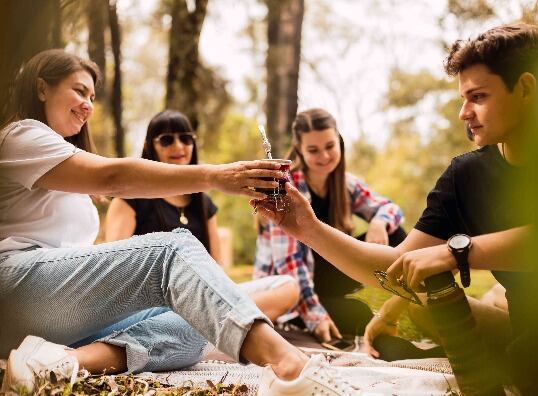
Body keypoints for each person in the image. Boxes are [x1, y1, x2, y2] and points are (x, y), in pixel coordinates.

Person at [0, 49, 358, 396]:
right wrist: (216, 175)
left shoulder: (61, 165)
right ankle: (291, 368)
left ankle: (61, 362)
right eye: (79, 90)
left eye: (92, 96)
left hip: (52, 311)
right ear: (42, 87)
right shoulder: (19, 136)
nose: (88, 105)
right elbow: (112, 177)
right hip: (15, 289)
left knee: (196, 316)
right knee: (172, 249)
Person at [253, 23, 538, 389]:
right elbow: (397, 269)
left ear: (526, 88)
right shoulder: (466, 175)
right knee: (428, 303)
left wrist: (456, 254)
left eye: (478, 97)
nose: (464, 112)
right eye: (463, 98)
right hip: (529, 332)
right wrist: (309, 228)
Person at [105, 109, 300, 322]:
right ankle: (221, 327)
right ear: (149, 146)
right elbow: (117, 272)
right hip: (154, 306)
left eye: (186, 139)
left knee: (287, 288)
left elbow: (217, 268)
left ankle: (214, 326)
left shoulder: (203, 202)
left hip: (205, 298)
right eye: (167, 140)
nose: (178, 146)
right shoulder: (129, 198)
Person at [254, 108, 405, 341]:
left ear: (339, 143)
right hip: (294, 289)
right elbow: (289, 263)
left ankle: (412, 304)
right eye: (313, 150)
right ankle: (312, 314)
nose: (324, 156)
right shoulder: (286, 189)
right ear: (300, 151)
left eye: (330, 146)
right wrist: (316, 316)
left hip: (329, 274)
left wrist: (379, 222)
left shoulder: (345, 184)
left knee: (396, 235)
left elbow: (391, 208)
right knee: (360, 315)